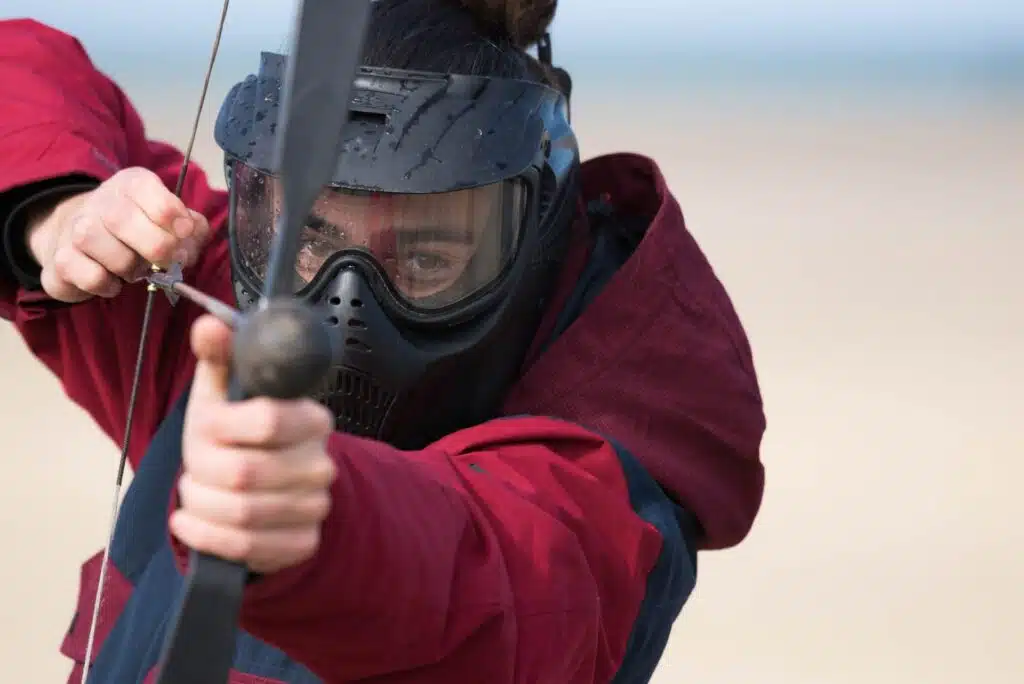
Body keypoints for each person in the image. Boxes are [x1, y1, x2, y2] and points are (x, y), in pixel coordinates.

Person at [0, 0, 766, 682]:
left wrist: (318, 523)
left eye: (426, 259)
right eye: (314, 238)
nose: (344, 309)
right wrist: (59, 207)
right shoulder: (222, 322)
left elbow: (499, 583)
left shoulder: (608, 476)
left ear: (536, 241)